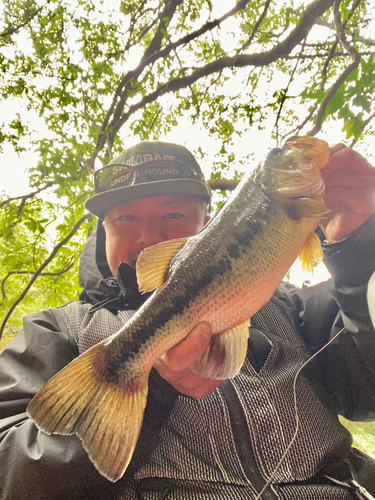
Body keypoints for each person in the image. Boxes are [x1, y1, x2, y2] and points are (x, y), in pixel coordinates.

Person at [1, 139, 375, 500]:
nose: (148, 235)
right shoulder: (56, 329)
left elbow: (366, 391)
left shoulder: (289, 304)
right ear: (104, 233)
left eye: (173, 214)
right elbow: (11, 478)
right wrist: (154, 385)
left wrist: (360, 250)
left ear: (209, 223)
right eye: (126, 218)